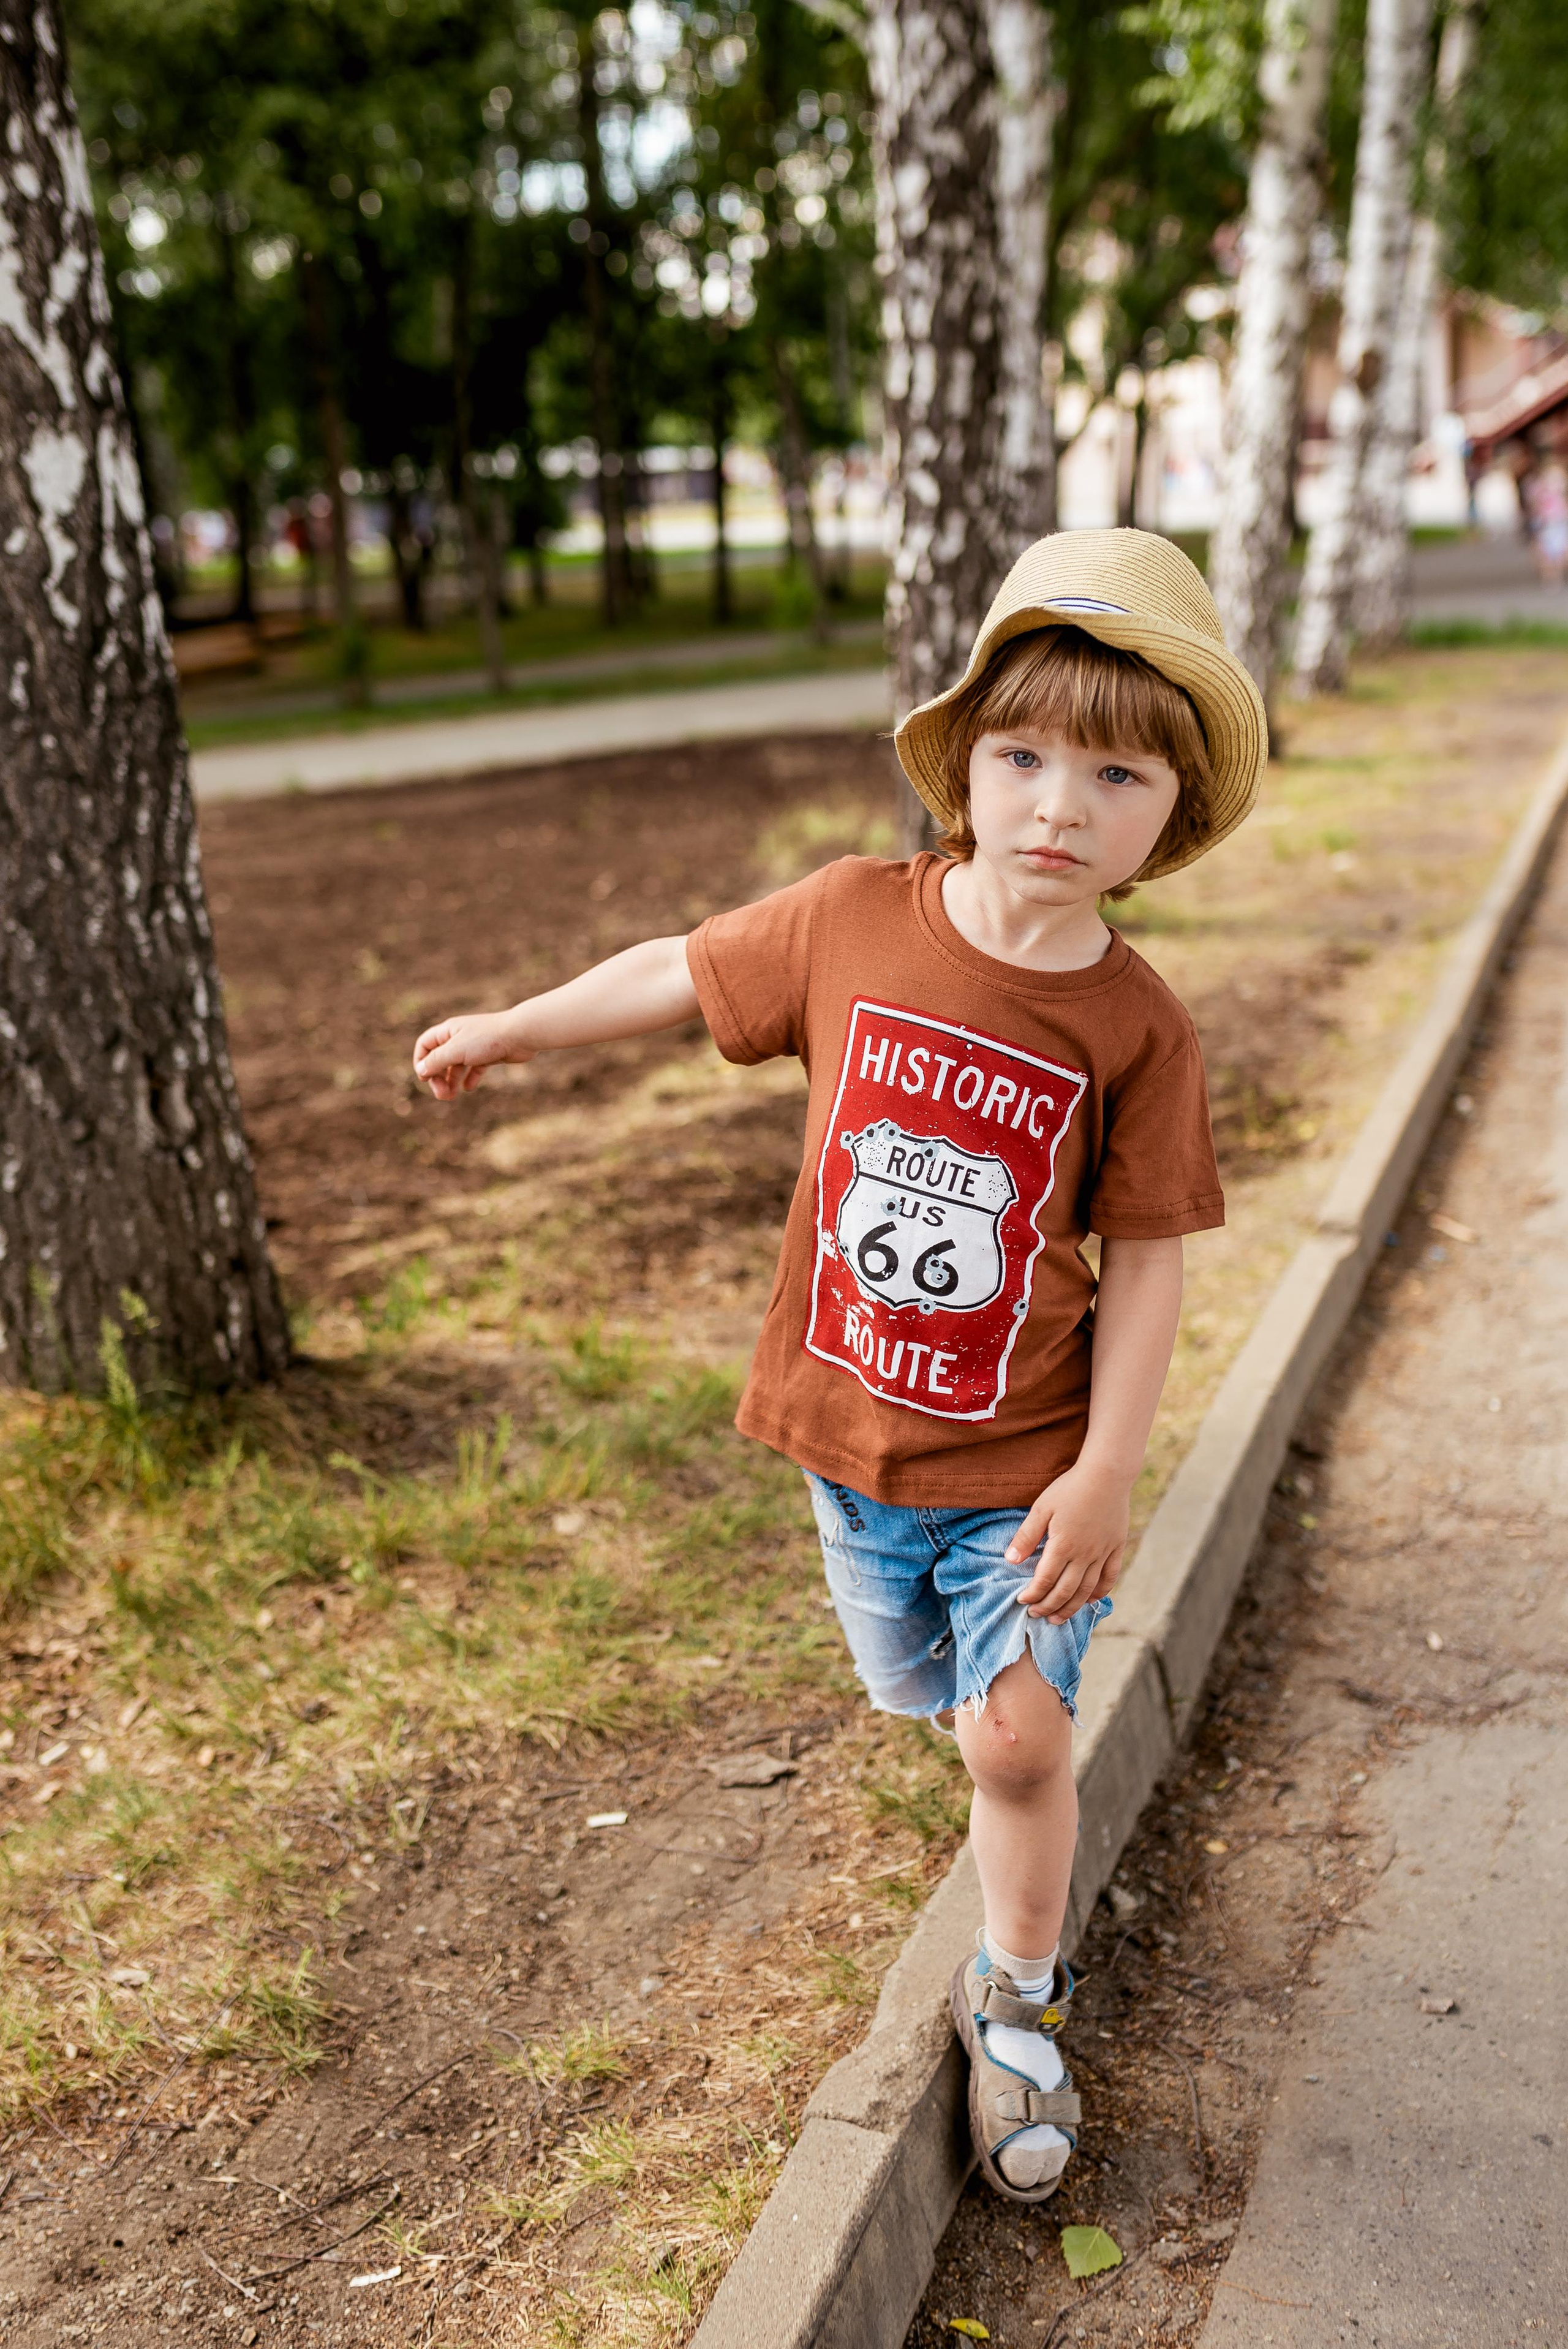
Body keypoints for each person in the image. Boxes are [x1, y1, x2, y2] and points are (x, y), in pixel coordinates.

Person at [411, 529, 1267, 2204]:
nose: (1060, 803)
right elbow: (683, 966)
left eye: (1114, 771)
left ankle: (1016, 1997)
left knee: (1017, 1738)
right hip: (851, 1440)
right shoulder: (854, 920)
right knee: (933, 1698)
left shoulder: (1140, 1028)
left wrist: (1104, 1472)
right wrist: (516, 1023)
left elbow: (1151, 1260)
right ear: (966, 761)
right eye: (1023, 754)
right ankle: (982, 1750)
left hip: (1026, 1459)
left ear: (1170, 812)